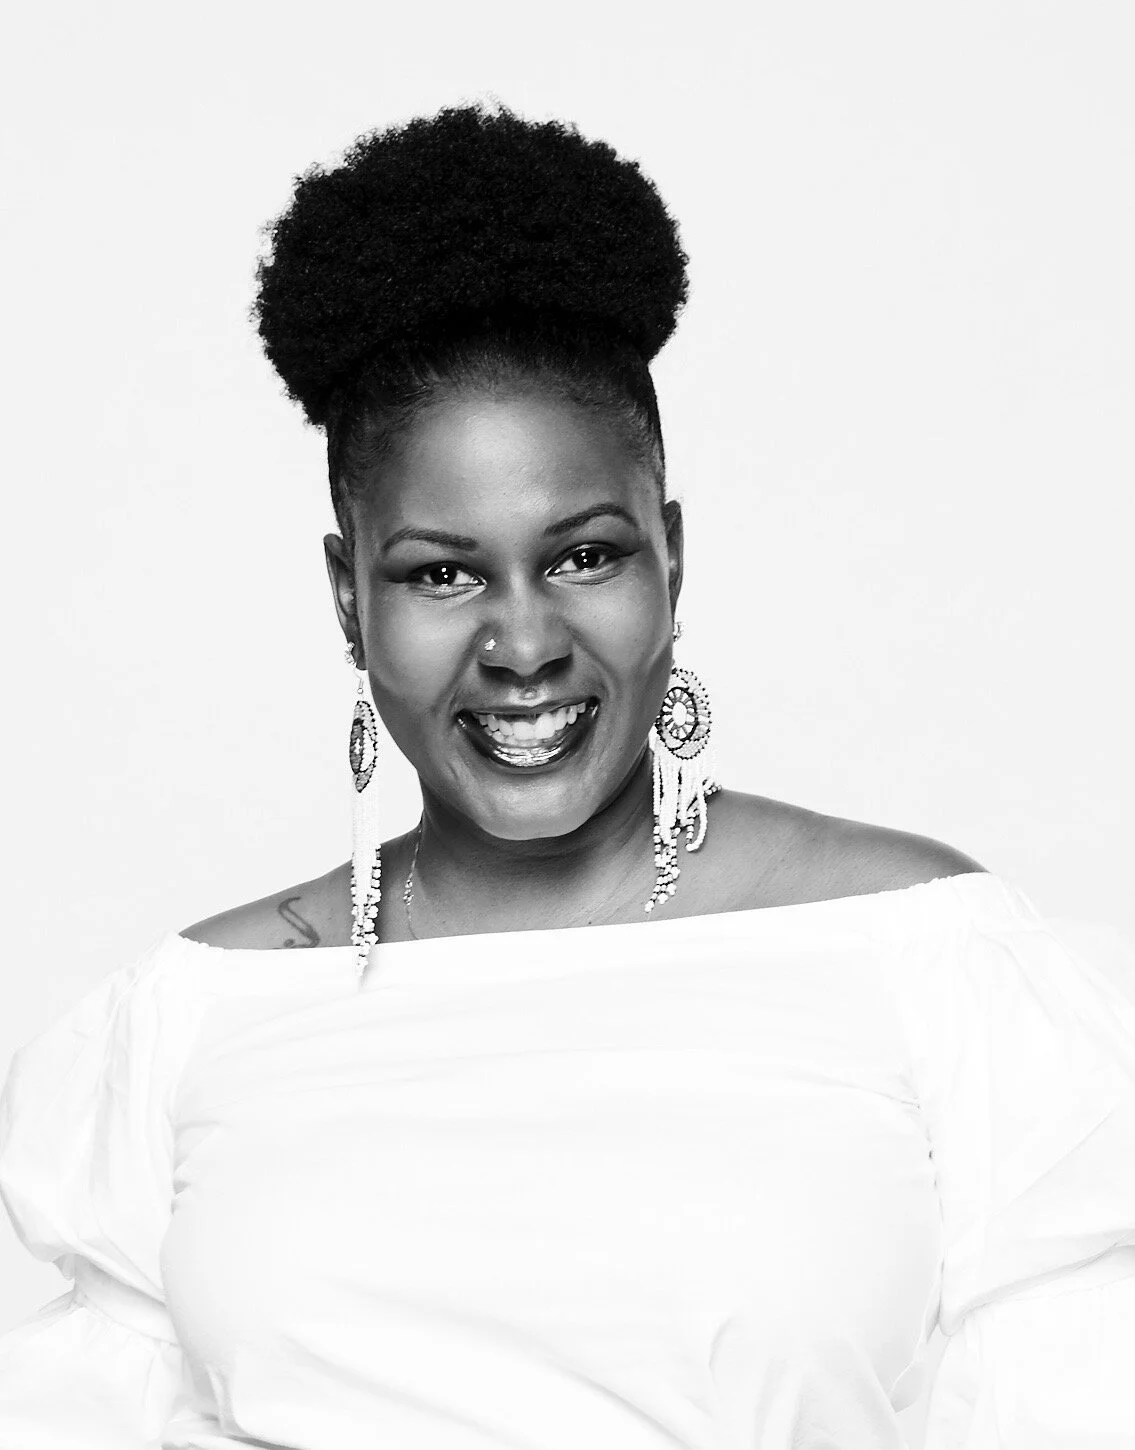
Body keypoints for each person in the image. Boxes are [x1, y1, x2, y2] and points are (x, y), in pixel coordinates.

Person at [1, 103, 1133, 1450]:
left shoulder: (923, 956)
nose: (523, 644)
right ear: (346, 599)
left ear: (670, 552)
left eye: (585, 554)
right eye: (439, 572)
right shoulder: (190, 1016)